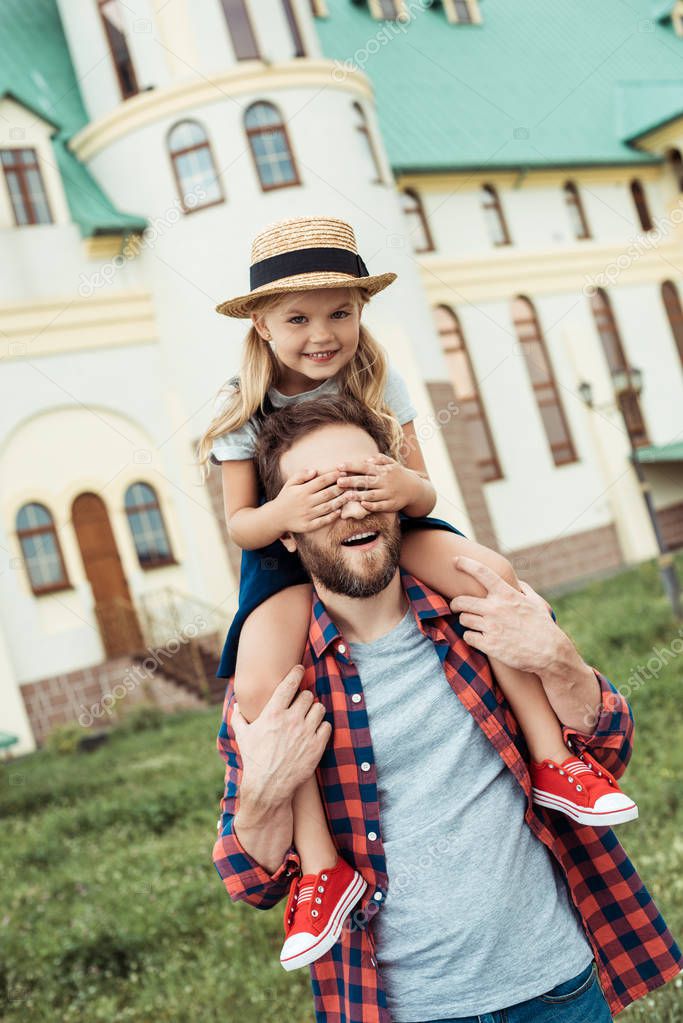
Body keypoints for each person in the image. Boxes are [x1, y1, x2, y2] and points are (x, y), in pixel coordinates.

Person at [197, 215, 637, 971]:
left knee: (487, 578)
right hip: (285, 556)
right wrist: (286, 514)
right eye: (297, 317)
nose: (321, 333)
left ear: (361, 312)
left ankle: (550, 756)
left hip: (391, 521)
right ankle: (320, 866)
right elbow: (240, 522)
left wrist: (400, 484)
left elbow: (422, 482)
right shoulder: (242, 402)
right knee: (264, 687)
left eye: (340, 311)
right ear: (263, 326)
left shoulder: (378, 377)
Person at [211, 393, 683, 1023]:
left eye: (366, 481)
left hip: (559, 989)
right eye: (320, 493)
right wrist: (266, 790)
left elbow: (611, 751)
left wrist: (561, 662)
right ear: (286, 532)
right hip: (405, 1010)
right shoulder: (273, 683)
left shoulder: (482, 610)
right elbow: (252, 881)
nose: (352, 504)